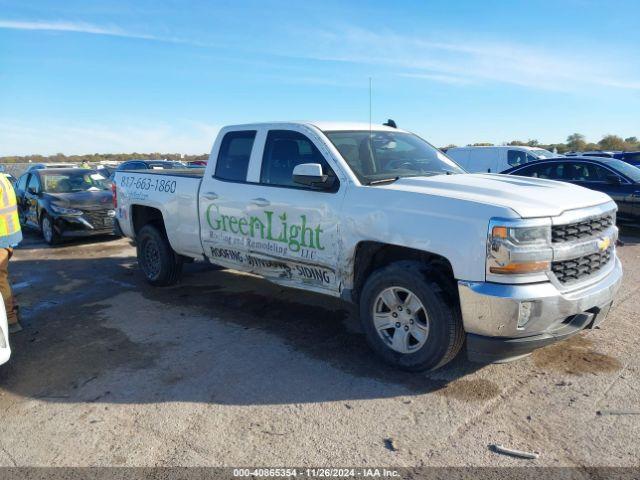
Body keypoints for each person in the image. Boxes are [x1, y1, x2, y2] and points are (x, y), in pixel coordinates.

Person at [0, 174, 23, 333]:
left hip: (1, 237)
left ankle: (9, 318)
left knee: (0, 280)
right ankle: (11, 308)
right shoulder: (3, 178)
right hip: (8, 236)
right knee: (3, 278)